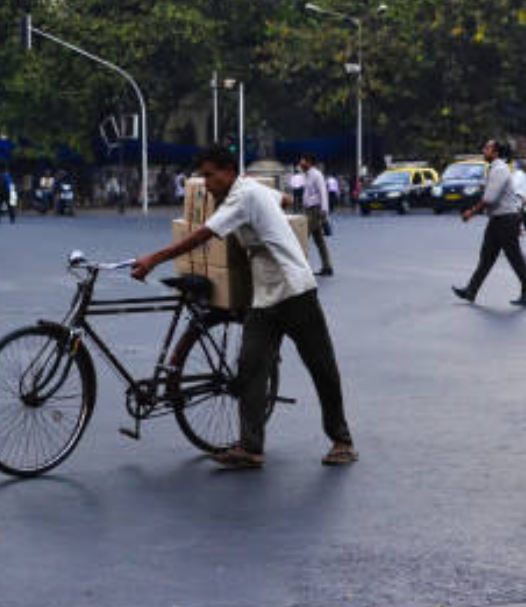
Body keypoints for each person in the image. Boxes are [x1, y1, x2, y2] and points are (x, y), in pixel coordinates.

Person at [132, 145, 357, 470]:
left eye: (210, 175)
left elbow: (202, 236)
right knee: (251, 369)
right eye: (203, 177)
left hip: (295, 290)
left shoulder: (243, 196)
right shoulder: (251, 189)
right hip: (264, 296)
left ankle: (342, 440)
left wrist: (154, 259)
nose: (206, 184)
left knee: (321, 366)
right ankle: (251, 448)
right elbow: (285, 200)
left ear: (227, 171)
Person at [452, 140, 526, 307]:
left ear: (496, 153)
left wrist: (471, 212)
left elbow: (489, 199)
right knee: (486, 257)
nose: (483, 150)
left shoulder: (499, 169)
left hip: (505, 219)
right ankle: (471, 290)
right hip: (499, 219)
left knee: (515, 258)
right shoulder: (494, 168)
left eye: (487, 148)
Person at [300, 154, 334, 277]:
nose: (300, 163)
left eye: (302, 161)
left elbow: (323, 192)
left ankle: (301, 269)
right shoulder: (307, 175)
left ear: (309, 162)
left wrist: (324, 210)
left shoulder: (316, 175)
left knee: (302, 237)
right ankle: (327, 266)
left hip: (315, 210)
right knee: (319, 240)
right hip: (309, 209)